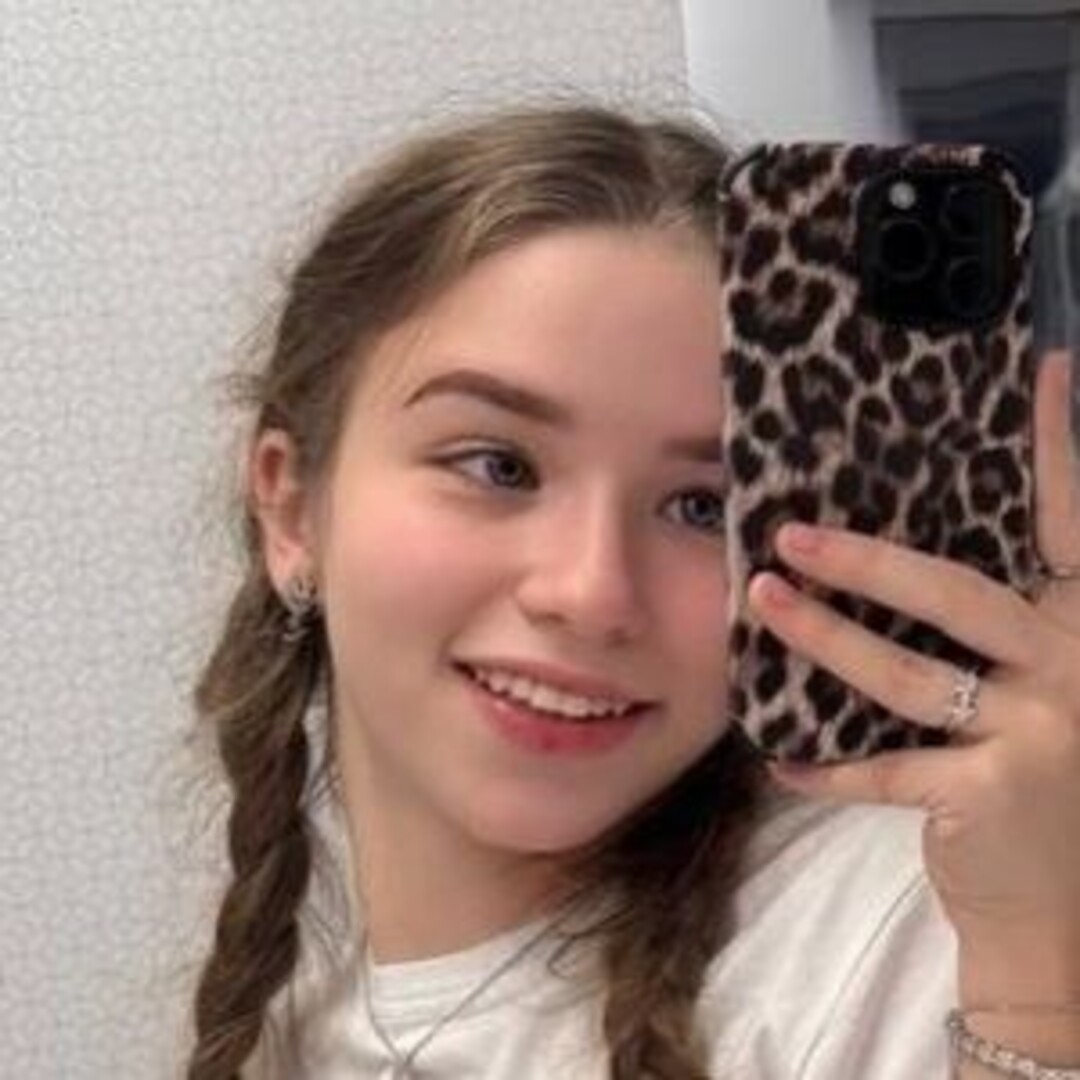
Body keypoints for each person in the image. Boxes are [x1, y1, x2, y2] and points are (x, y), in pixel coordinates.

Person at [180, 101, 1080, 1079]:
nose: (592, 592)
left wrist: (1036, 1000)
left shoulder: (916, 933)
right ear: (291, 508)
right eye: (498, 466)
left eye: (702, 507)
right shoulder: (293, 982)